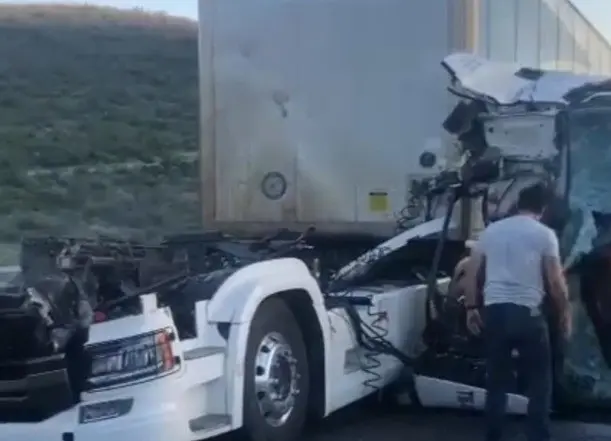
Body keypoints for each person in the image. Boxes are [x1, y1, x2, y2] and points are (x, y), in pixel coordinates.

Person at [462, 183, 571, 441]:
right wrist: (565, 314)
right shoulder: (545, 235)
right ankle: (538, 436)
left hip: (495, 312)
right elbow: (555, 282)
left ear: (518, 203)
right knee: (539, 382)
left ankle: (494, 435)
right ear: (543, 208)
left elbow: (471, 273)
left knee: (497, 381)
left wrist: (470, 308)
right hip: (528, 314)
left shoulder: (491, 231)